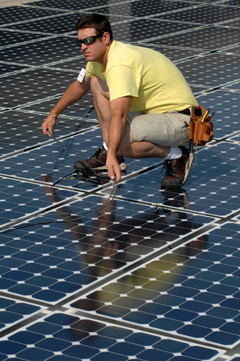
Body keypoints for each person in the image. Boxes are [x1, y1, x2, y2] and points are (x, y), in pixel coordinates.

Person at [42, 13, 198, 188]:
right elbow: (80, 85)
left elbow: (119, 113)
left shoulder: (120, 64)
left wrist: (112, 149)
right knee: (94, 82)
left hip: (181, 119)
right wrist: (54, 113)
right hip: (152, 113)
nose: (83, 47)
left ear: (105, 37)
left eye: (88, 41)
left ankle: (178, 155)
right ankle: (111, 152)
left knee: (119, 143)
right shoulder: (97, 60)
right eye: (80, 42)